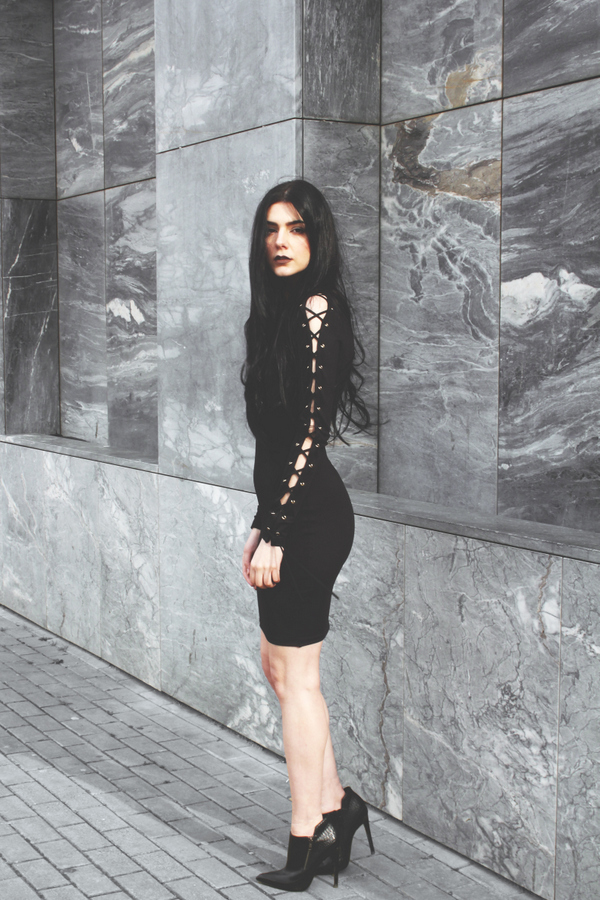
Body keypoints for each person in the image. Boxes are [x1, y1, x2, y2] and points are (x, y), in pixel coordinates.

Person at [241, 180, 374, 891]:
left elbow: (307, 438)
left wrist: (278, 529)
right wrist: (260, 522)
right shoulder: (272, 316)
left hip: (312, 517)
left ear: (316, 239)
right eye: (271, 228)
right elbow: (274, 442)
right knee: (279, 668)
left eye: (295, 227)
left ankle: (306, 838)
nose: (281, 240)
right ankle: (339, 806)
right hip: (286, 511)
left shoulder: (319, 309)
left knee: (299, 679)